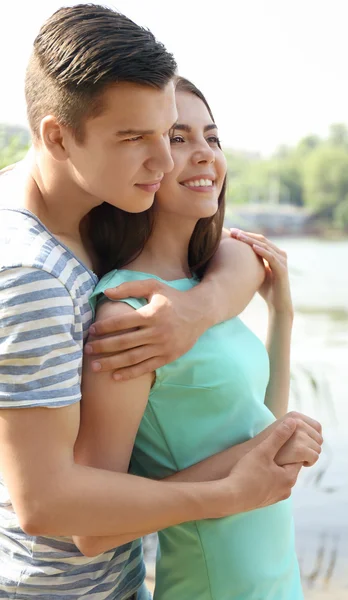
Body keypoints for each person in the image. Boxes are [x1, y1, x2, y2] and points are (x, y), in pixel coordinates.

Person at [0, 5, 321, 600]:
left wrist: (206, 311)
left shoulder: (82, 207)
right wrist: (230, 492)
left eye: (168, 131)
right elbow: (48, 505)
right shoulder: (35, 274)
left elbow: (234, 252)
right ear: (56, 136)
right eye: (140, 138)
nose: (170, 158)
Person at [74, 77, 323, 599]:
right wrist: (240, 476)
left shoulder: (203, 290)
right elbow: (92, 528)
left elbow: (259, 432)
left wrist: (282, 315)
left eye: (212, 137)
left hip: (274, 577)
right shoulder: (130, 314)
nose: (205, 154)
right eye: (179, 137)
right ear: (144, 162)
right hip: (213, 582)